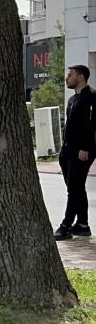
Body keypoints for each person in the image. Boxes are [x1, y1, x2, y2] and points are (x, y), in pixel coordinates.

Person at [56, 65, 96, 240]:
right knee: (76, 188)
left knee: (74, 189)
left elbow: (93, 125)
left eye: (70, 75)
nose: (67, 78)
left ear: (81, 77)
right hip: (67, 151)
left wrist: (85, 148)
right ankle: (82, 224)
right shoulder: (72, 100)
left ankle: (65, 226)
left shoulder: (92, 97)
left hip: (82, 151)